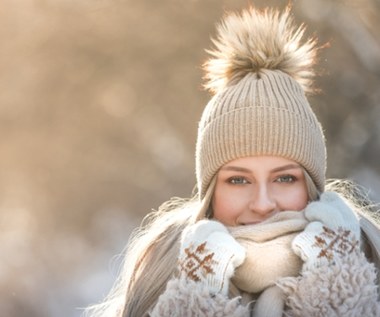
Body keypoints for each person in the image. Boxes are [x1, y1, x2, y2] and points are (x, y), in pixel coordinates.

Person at [85, 6, 380, 317]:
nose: (263, 204)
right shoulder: (152, 292)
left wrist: (339, 291)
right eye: (238, 180)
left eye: (285, 178)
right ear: (211, 192)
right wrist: (196, 299)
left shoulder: (370, 277)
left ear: (312, 187)